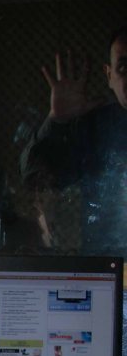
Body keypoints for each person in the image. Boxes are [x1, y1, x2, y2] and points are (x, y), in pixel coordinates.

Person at [20, 25, 127, 255]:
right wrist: (57, 120)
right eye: (123, 67)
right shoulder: (94, 129)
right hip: (107, 267)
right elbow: (34, 178)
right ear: (109, 75)